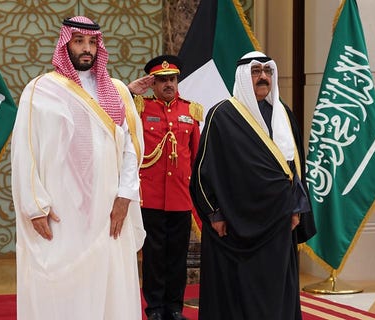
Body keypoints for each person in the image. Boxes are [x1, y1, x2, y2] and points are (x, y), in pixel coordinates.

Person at [10, 16, 146, 320]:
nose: (87, 49)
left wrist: (125, 196)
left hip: (110, 210)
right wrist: (35, 205)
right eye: (79, 41)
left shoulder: (118, 90)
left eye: (93, 42)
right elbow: (25, 151)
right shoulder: (40, 90)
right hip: (62, 210)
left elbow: (130, 150)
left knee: (110, 284)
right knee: (62, 288)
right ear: (65, 44)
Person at [189, 51, 316, 320]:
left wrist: (297, 209)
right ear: (244, 77)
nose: (263, 77)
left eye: (267, 71)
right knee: (237, 294)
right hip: (234, 225)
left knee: (275, 291)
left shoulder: (283, 114)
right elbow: (203, 171)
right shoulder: (221, 115)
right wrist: (214, 213)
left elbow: (295, 169)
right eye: (256, 71)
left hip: (279, 221)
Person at [127, 55, 202, 320]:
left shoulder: (191, 111)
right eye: (162, 80)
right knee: (154, 256)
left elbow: (196, 157)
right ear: (153, 83)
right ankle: (155, 307)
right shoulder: (140, 108)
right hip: (151, 197)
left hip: (180, 197)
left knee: (177, 257)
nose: (168, 84)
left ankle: (174, 307)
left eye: (172, 79)